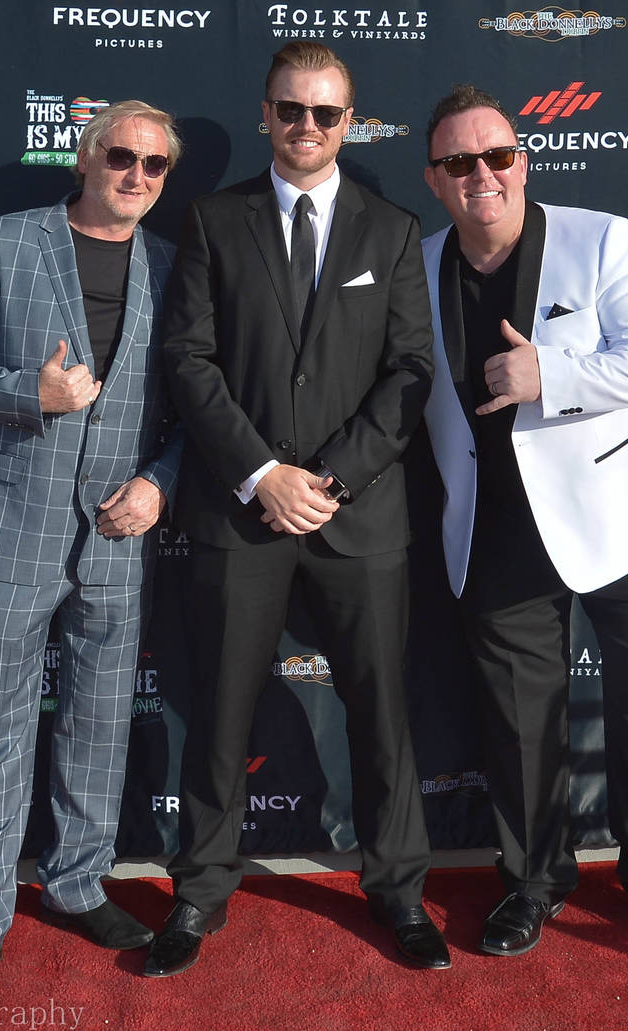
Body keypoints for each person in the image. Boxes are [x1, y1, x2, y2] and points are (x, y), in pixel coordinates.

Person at [148, 41, 448, 977]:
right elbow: (189, 360)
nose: (306, 127)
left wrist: (330, 480)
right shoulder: (210, 219)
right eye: (290, 110)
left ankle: (399, 890)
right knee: (222, 714)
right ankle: (199, 893)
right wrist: (261, 474)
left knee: (381, 714)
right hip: (240, 513)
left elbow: (409, 375)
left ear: (349, 122)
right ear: (264, 115)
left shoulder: (393, 231)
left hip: (357, 515)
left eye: (324, 113)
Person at [420, 84, 628, 962]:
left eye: (498, 156)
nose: (483, 174)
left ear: (524, 161)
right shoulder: (420, 262)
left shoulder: (601, 237)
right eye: (458, 163)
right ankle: (534, 883)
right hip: (495, 532)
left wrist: (548, 374)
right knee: (519, 729)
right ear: (435, 180)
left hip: (621, 522)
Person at [0, 100, 183, 1016]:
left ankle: (77, 885)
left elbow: (190, 413)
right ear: (85, 156)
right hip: (13, 527)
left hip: (118, 533)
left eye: (154, 165)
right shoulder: (8, 242)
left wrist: (159, 483)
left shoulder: (172, 268)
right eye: (121, 156)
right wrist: (28, 391)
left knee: (100, 727)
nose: (137, 176)